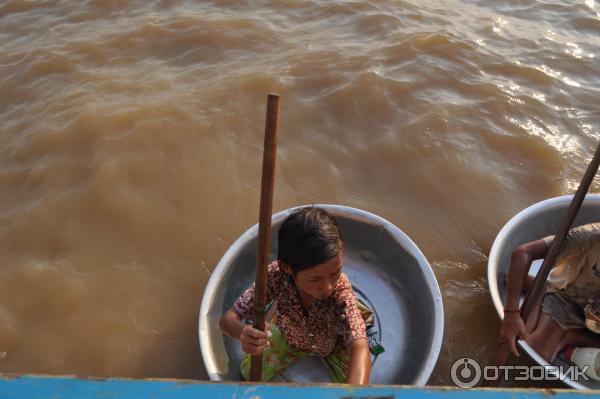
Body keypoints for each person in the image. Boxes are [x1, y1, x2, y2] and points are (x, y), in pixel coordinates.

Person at [219, 207, 372, 384]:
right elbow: (227, 320)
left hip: (332, 346)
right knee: (248, 372)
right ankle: (275, 311)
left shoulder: (341, 291)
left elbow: (359, 347)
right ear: (287, 268)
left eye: (335, 272)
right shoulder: (276, 276)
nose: (328, 286)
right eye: (316, 279)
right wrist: (243, 333)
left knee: (355, 382)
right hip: (288, 337)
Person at [499, 222, 600, 362]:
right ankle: (541, 291)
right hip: (566, 298)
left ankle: (572, 336)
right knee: (536, 354)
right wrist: (511, 313)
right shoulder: (591, 236)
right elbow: (523, 252)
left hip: (594, 315)